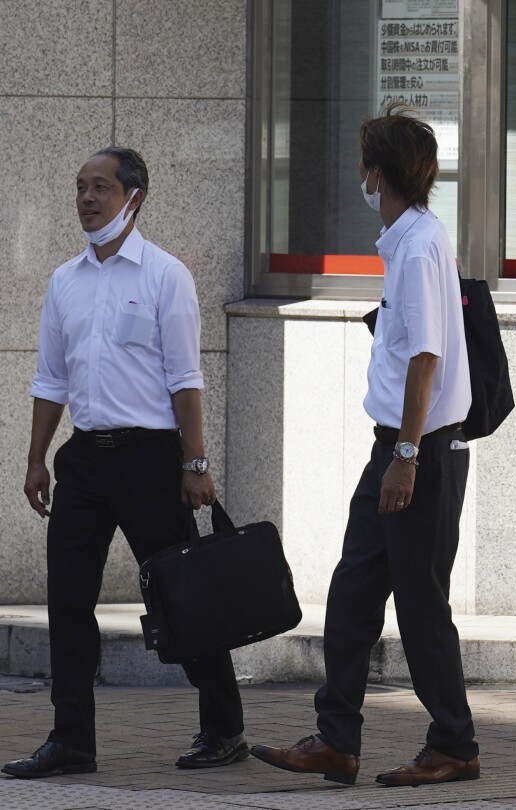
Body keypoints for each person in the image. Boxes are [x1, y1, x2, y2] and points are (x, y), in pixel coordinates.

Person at [250, 102, 476, 787]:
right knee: (354, 592)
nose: (361, 177)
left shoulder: (416, 244)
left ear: (378, 173)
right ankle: (336, 738)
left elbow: (425, 356)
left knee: (420, 604)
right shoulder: (412, 238)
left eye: (364, 166)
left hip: (416, 451)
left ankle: (454, 744)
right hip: (400, 447)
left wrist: (405, 456)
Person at [4, 148, 246, 779]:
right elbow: (50, 379)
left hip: (151, 460)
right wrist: (35, 460)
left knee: (181, 596)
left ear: (133, 197)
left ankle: (224, 728)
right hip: (84, 460)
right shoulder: (64, 282)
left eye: (101, 188)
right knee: (68, 597)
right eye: (80, 188)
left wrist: (195, 462)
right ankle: (72, 739)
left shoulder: (166, 277)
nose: (87, 198)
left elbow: (186, 377)